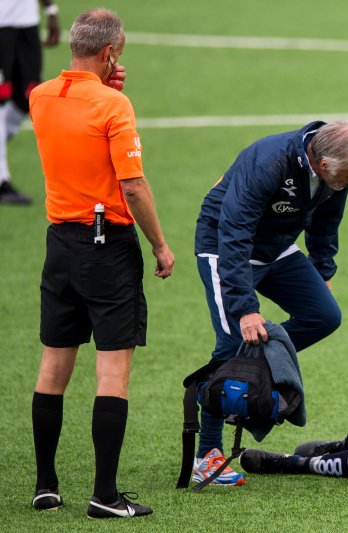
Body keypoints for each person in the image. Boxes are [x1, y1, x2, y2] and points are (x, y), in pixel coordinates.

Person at [28, 8, 174, 518]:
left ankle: (46, 486)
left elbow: (75, 110)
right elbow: (132, 185)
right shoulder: (115, 105)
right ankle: (105, 496)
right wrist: (159, 244)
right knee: (112, 372)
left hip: (59, 245)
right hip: (106, 245)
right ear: (111, 52)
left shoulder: (40, 96)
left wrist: (104, 82)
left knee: (53, 366)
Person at [192, 119, 348, 485]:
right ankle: (206, 455)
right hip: (225, 247)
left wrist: (323, 271)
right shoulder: (268, 162)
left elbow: (326, 222)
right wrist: (245, 307)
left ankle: (250, 371)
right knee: (230, 344)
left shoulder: (334, 169)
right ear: (323, 165)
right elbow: (235, 230)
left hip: (276, 247)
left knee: (323, 314)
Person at [0, 0, 59, 204]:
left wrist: (50, 9)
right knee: (0, 99)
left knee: (29, 98)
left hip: (27, 23)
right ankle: (2, 181)